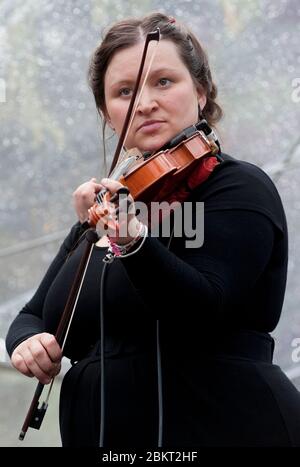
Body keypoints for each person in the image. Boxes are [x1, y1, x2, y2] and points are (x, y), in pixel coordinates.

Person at [5, 12, 300, 447]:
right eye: (124, 92)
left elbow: (205, 303)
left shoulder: (238, 187)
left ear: (200, 92)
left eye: (163, 82)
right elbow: (35, 315)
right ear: (109, 116)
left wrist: (134, 241)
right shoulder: (105, 213)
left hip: (225, 426)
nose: (144, 103)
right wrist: (28, 343)